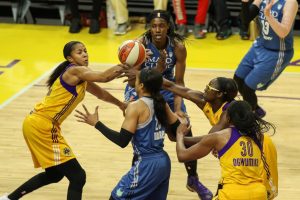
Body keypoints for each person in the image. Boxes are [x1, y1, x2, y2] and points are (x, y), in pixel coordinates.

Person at [0, 41, 128, 200]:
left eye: (86, 51)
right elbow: (104, 77)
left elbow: (101, 93)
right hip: (42, 126)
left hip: (40, 124)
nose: (85, 54)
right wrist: (127, 60)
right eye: (79, 52)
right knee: (78, 176)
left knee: (54, 175)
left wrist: (120, 104)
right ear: (70, 59)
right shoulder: (75, 71)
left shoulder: (81, 77)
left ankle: (8, 199)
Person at [123, 10, 213, 200]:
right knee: (142, 133)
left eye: (161, 25)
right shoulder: (139, 46)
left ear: (168, 27)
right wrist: (158, 69)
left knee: (184, 130)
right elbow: (134, 80)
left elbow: (179, 82)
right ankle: (137, 175)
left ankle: (193, 179)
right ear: (149, 27)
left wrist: (179, 109)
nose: (157, 29)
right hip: (142, 87)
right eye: (154, 25)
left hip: (168, 88)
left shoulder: (178, 47)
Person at [75, 69, 182, 200]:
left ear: (141, 85)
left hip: (146, 164)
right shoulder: (161, 103)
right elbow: (178, 128)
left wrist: (96, 124)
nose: (134, 82)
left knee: (116, 198)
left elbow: (122, 141)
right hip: (163, 162)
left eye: (136, 80)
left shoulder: (136, 106)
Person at [163, 77, 278, 199]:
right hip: (237, 141)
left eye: (209, 88)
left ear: (219, 94)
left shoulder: (227, 112)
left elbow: (208, 139)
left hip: (260, 145)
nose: (205, 89)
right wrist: (148, 77)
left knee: (267, 189)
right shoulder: (205, 101)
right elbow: (172, 86)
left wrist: (179, 138)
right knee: (235, 178)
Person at [176, 100, 276, 199]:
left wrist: (179, 135)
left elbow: (182, 156)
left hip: (232, 193)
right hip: (258, 193)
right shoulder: (260, 137)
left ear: (227, 118)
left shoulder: (220, 137)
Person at [234, 0, 298, 117]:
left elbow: (283, 32)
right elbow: (245, 20)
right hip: (260, 45)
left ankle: (249, 120)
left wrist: (268, 16)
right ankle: (257, 110)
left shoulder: (290, 2)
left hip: (278, 52)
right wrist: (244, 3)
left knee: (248, 87)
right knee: (238, 79)